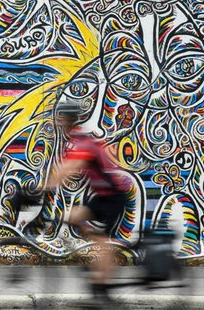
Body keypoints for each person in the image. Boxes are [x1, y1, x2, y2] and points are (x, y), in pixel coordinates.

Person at [47, 101, 129, 302]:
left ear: (67, 120)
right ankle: (97, 264)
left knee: (103, 245)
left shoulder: (83, 142)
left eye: (60, 117)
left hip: (113, 198)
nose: (57, 121)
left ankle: (101, 288)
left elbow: (69, 168)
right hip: (102, 197)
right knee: (71, 216)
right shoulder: (77, 139)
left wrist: (42, 188)